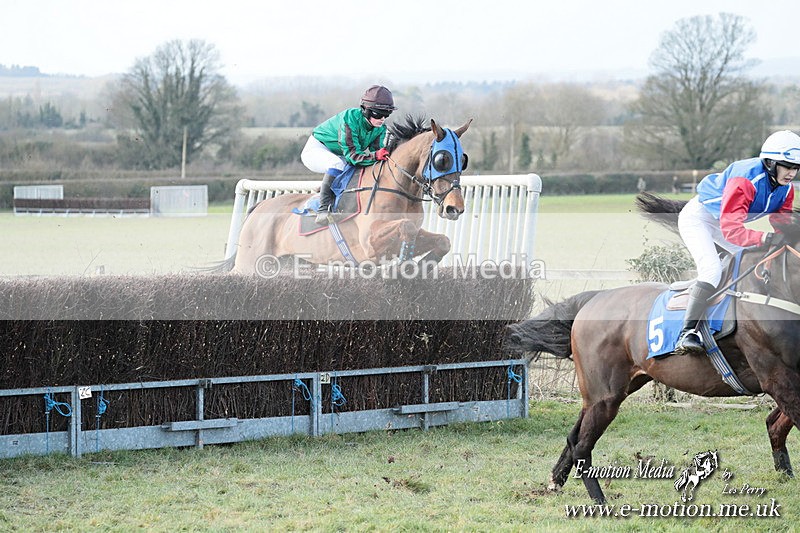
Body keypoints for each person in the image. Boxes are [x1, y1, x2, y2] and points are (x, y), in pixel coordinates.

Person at [674, 130, 800, 355]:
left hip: (725, 222)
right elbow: (732, 231)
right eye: (787, 166)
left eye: (795, 168)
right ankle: (687, 332)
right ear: (770, 163)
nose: (792, 173)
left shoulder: (786, 188)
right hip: (699, 220)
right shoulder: (745, 180)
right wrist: (764, 237)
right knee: (712, 271)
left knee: (753, 261)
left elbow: (781, 220)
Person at [300, 85, 396, 224]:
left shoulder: (380, 128)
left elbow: (378, 154)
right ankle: (323, 209)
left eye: (386, 115)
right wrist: (375, 156)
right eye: (378, 114)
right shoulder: (349, 119)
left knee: (350, 166)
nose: (382, 118)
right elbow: (353, 156)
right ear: (365, 110)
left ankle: (331, 193)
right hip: (317, 149)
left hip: (342, 155)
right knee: (337, 164)